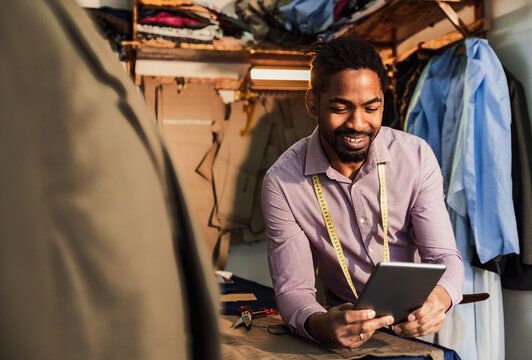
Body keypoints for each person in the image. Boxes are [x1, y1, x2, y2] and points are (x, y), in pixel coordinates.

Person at [262, 36, 464, 348]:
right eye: (341, 108)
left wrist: (440, 299)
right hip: (345, 333)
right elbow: (294, 290)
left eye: (371, 107)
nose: (358, 123)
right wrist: (320, 324)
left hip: (424, 324)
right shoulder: (282, 182)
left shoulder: (416, 157)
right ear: (312, 104)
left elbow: (444, 256)